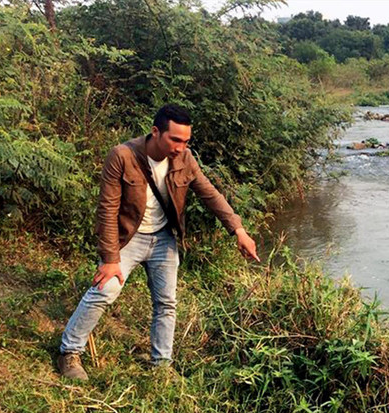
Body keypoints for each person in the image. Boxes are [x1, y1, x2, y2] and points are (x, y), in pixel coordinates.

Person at [58, 104, 259, 380]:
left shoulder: (185, 159)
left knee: (166, 303)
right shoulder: (122, 156)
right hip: (127, 239)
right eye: (175, 140)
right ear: (156, 132)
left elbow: (210, 194)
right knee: (105, 290)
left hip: (163, 238)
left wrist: (238, 229)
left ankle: (161, 365)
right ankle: (69, 352)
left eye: (186, 141)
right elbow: (106, 209)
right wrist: (110, 259)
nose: (180, 147)